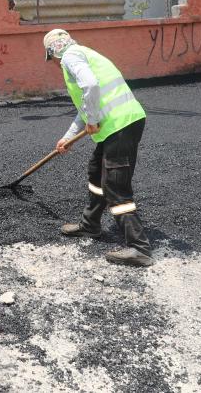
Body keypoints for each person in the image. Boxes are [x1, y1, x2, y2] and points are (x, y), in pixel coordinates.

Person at [44, 29, 153, 268]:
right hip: (117, 125)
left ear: (54, 52)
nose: (53, 63)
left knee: (115, 185)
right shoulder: (85, 53)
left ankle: (139, 248)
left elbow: (90, 86)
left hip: (120, 125)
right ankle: (90, 224)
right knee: (96, 172)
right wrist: (68, 138)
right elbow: (87, 107)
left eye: (50, 58)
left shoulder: (71, 58)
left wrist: (92, 119)